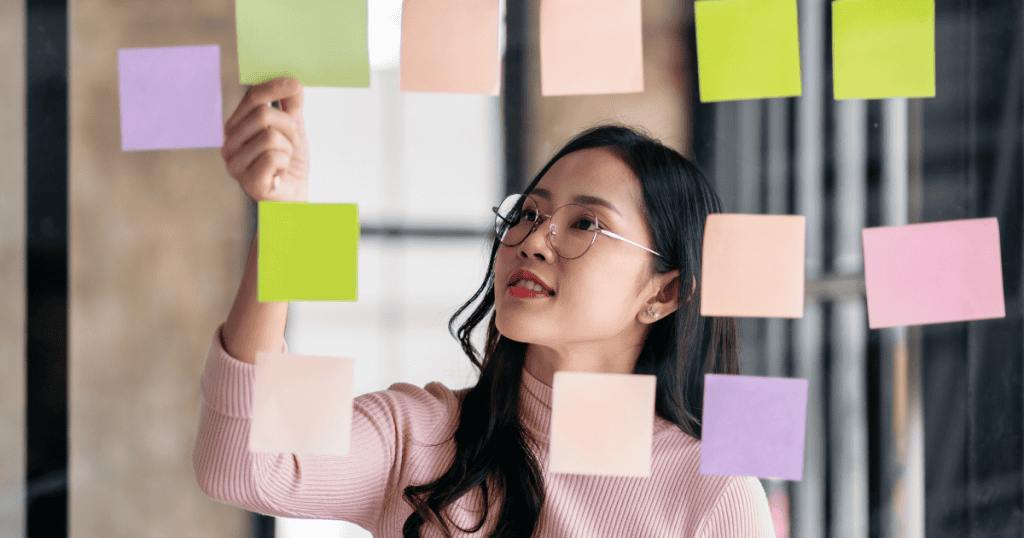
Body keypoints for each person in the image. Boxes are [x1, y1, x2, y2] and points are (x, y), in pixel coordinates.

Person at [193, 76, 776, 537]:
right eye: (528, 213)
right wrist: (285, 219)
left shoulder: (711, 491)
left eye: (586, 224)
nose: (534, 239)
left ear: (663, 292)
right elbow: (242, 467)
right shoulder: (420, 435)